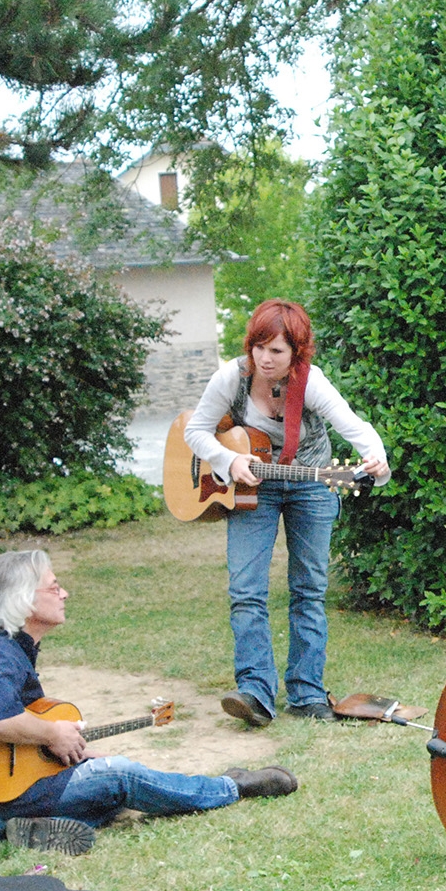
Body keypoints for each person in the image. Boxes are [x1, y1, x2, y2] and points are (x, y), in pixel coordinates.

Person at [0, 550, 297, 856]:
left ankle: (22, 829)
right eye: (54, 588)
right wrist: (54, 732)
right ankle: (231, 787)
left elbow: (18, 736)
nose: (65, 593)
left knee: (103, 781)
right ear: (22, 600)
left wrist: (61, 749)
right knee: (119, 775)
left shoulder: (7, 650)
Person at [183, 299, 391, 726]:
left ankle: (307, 692)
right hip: (247, 486)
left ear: (297, 352)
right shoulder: (231, 377)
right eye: (259, 347)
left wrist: (376, 460)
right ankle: (256, 693)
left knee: (309, 589)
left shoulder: (311, 382)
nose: (265, 358)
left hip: (312, 482)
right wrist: (228, 460)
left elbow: (353, 426)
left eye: (276, 351)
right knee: (245, 590)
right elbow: (194, 430)